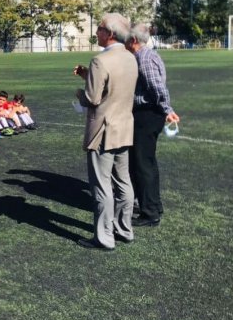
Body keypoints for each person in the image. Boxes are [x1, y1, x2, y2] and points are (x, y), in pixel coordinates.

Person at [73, 13, 138, 250]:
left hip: (103, 130)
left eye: (99, 28)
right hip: (124, 127)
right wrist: (87, 76)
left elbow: (92, 97)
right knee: (123, 181)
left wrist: (79, 92)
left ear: (109, 33)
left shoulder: (99, 61)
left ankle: (104, 237)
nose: (96, 32)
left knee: (101, 185)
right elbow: (114, 87)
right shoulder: (131, 57)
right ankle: (124, 229)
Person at [125, 23, 180, 227]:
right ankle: (154, 205)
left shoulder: (144, 58)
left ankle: (149, 213)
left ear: (133, 41)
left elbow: (157, 87)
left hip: (147, 115)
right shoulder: (146, 56)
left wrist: (167, 109)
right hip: (148, 114)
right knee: (146, 162)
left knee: (142, 163)